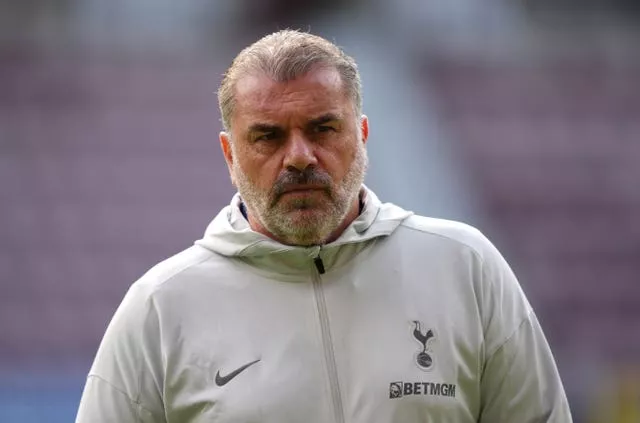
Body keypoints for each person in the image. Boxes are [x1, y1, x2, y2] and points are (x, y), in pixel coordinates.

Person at [76, 30, 572, 422]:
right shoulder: (160, 307)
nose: (298, 157)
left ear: (361, 134)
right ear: (230, 154)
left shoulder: (465, 266)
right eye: (267, 137)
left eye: (323, 128)